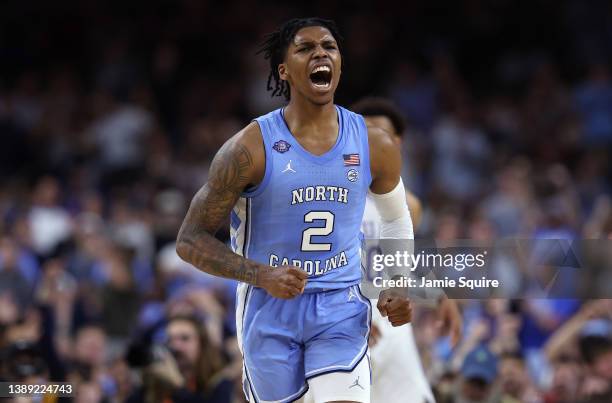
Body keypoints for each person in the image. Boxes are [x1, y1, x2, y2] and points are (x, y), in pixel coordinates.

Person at [176, 17, 413, 403]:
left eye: (329, 47)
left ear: (339, 63)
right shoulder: (248, 149)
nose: (320, 53)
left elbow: (396, 218)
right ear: (283, 70)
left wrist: (399, 281)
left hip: (341, 302)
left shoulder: (376, 143)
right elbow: (189, 239)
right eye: (306, 48)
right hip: (269, 309)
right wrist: (261, 274)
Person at [349, 97, 463, 403]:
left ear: (396, 144)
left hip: (391, 328)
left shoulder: (409, 205)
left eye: (380, 137)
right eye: (365, 138)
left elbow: (392, 273)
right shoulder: (334, 197)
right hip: (343, 329)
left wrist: (436, 296)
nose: (372, 146)